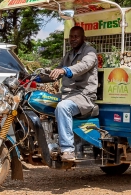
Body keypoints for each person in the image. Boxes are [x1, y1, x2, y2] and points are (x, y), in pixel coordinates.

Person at [39, 26, 98, 162]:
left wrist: (64, 70)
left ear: (83, 38)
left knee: (63, 107)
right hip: (67, 95)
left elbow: (82, 66)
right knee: (40, 100)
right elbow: (56, 73)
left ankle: (67, 150)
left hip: (83, 96)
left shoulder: (90, 53)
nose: (73, 39)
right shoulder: (69, 55)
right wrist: (37, 78)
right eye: (71, 36)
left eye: (76, 36)